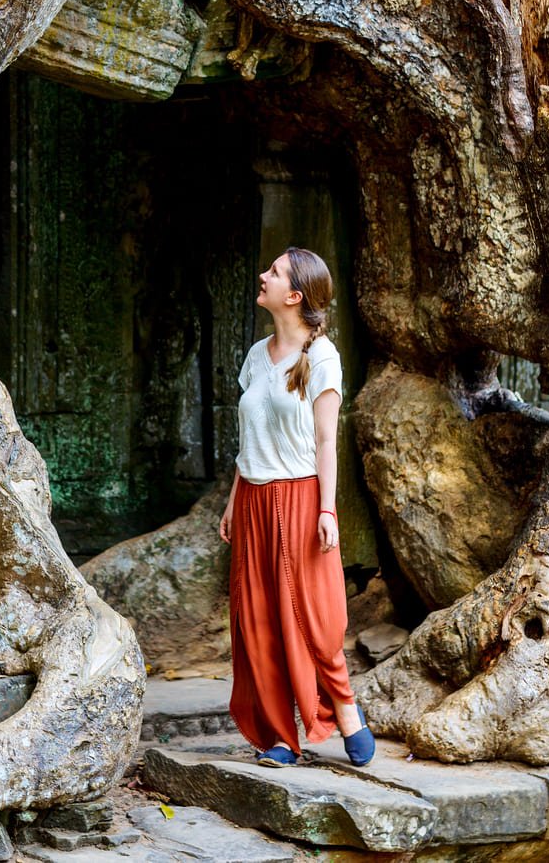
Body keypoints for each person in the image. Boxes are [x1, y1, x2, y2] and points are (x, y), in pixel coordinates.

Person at [218, 246, 375, 767]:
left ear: (294, 295)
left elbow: (326, 442)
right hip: (255, 499)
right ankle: (280, 737)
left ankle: (343, 706)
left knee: (318, 615)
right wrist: (233, 501)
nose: (262, 275)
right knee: (258, 620)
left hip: (303, 495)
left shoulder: (323, 357)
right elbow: (248, 441)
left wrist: (327, 510)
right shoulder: (255, 355)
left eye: (274, 272)